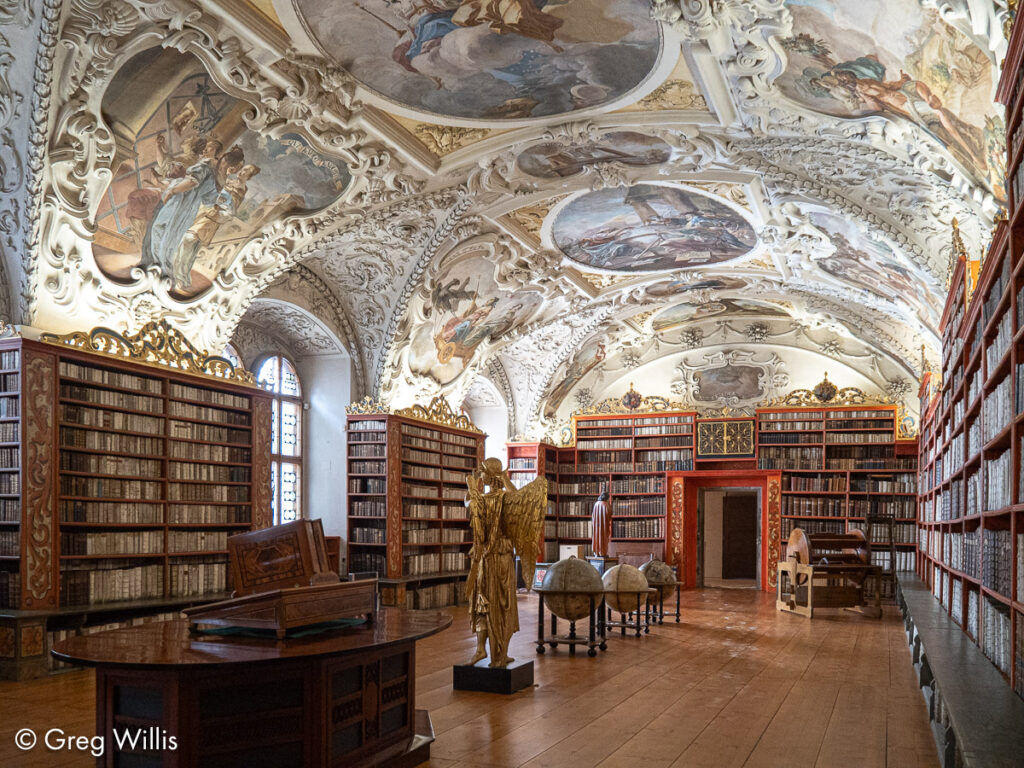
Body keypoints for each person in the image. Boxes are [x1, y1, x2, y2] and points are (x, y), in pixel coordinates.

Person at [591, 490, 611, 557]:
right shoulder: (606, 504)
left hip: (596, 526)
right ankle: (602, 552)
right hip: (604, 526)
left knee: (597, 537)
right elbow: (609, 515)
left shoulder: (596, 504)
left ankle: (596, 552)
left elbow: (593, 516)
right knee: (603, 539)